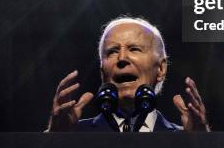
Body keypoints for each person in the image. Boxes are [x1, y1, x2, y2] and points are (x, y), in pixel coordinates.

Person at [46, 17, 211, 132]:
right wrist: (55, 139)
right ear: (102, 71)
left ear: (161, 69)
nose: (122, 58)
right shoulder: (73, 136)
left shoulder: (185, 140)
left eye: (134, 49)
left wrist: (203, 143)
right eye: (112, 51)